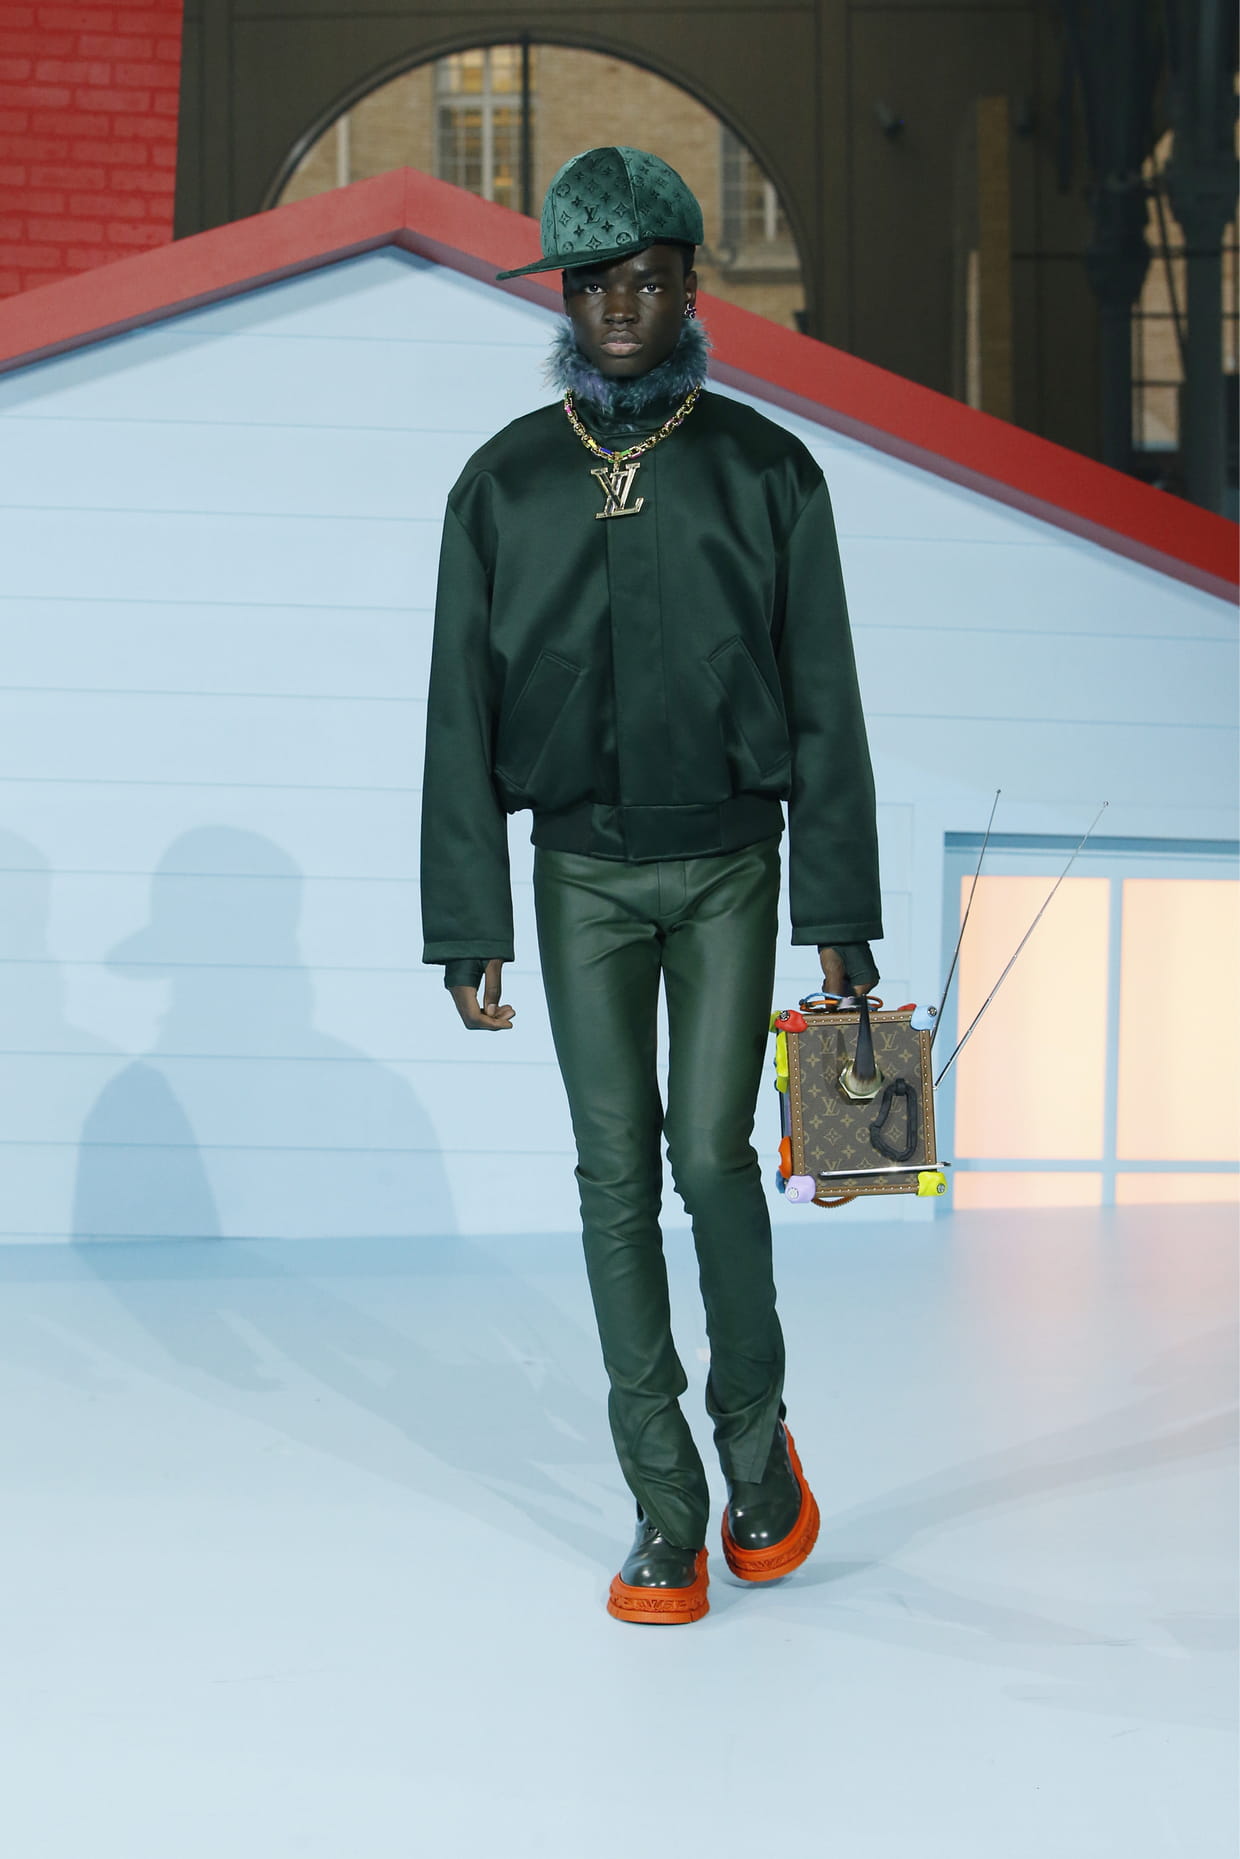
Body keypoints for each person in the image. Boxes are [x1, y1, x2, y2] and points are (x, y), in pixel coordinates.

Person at [421, 146, 881, 1625]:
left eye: (647, 279)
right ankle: (666, 1508)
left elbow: (827, 700)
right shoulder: (505, 481)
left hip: (735, 862)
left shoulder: (766, 470)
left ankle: (758, 1457)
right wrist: (469, 920)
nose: (619, 305)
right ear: (564, 296)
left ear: (691, 288)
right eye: (593, 283)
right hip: (581, 874)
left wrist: (840, 919)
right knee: (612, 1173)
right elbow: (457, 710)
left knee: (710, 1157)